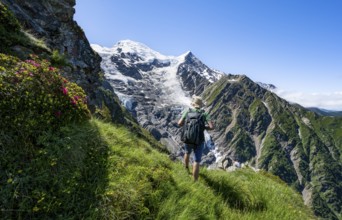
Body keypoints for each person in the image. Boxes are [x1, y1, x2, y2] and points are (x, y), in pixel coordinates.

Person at [177, 95, 214, 181]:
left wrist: (186, 124)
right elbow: (211, 127)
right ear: (200, 105)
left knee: (187, 152)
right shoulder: (204, 113)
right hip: (199, 140)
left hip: (188, 137)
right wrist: (203, 127)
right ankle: (195, 182)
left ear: (193, 104)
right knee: (196, 161)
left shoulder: (187, 111)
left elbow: (179, 123)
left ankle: (186, 169)